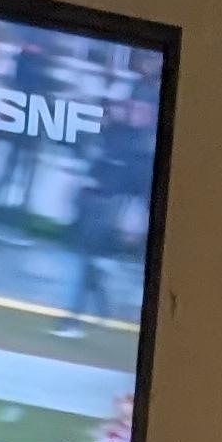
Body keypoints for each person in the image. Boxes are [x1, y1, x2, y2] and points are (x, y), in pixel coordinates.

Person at [55, 91, 155, 334]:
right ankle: (101, 308)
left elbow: (136, 188)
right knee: (87, 264)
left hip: (108, 208)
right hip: (90, 203)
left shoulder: (137, 147)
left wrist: (135, 221)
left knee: (83, 264)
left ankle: (73, 319)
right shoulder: (111, 136)